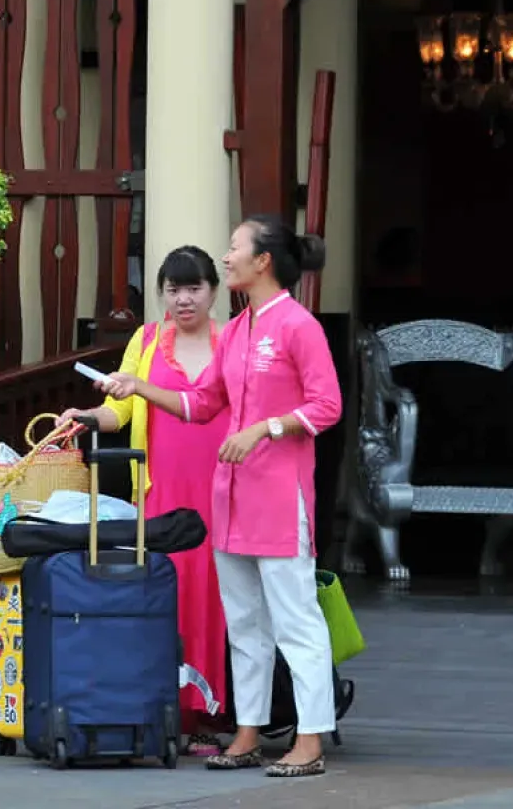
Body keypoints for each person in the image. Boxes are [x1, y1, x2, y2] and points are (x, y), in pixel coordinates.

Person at [95, 215, 342, 778]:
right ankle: (248, 731)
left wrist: (265, 429)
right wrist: (138, 388)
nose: (225, 257)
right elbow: (199, 403)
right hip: (229, 500)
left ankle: (309, 740)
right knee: (245, 623)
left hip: (280, 499)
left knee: (295, 622)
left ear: (263, 262)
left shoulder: (299, 327)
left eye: (234, 249)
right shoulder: (235, 332)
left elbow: (327, 407)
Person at [60, 246, 231, 757]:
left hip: (223, 490)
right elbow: (121, 408)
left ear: (213, 292)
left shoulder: (233, 341)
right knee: (165, 596)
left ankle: (211, 716)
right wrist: (91, 417)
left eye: (194, 288)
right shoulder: (148, 339)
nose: (183, 299)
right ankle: (163, 709)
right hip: (163, 491)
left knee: (218, 601)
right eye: (173, 289)